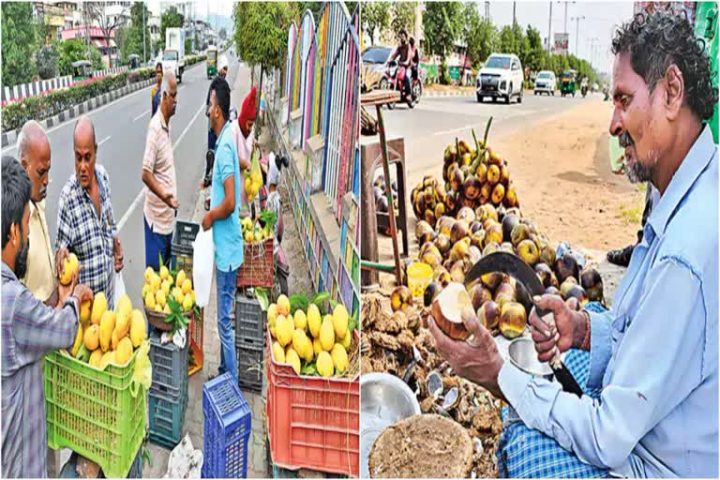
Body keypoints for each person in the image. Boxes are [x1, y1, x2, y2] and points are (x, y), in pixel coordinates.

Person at [428, 11, 718, 478]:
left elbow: (607, 439)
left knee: (523, 438)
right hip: (661, 418)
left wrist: (497, 373)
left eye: (624, 101)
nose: (612, 124)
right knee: (573, 355)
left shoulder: (686, 253)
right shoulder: (692, 189)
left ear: (671, 90)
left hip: (664, 463)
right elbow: (646, 329)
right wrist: (583, 329)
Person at [1, 156, 93, 478]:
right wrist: (76, 298)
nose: (28, 234)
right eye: (26, 225)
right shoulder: (12, 304)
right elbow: (65, 330)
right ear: (14, 232)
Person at [56, 116, 124, 309]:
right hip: (87, 315)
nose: (83, 167)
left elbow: (109, 221)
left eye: (88, 157)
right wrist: (61, 255)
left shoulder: (102, 177)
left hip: (108, 304)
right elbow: (61, 253)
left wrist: (116, 244)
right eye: (78, 158)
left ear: (96, 151)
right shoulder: (67, 199)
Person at [201, 77, 242, 381]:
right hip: (225, 248)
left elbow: (229, 202)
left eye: (209, 102)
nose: (207, 108)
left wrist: (211, 216)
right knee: (224, 320)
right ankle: (225, 372)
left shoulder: (225, 145)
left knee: (224, 324)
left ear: (217, 108)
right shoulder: (226, 137)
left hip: (227, 251)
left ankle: (231, 383)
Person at [16, 121, 58, 305]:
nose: (47, 180)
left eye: (48, 171)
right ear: (24, 166)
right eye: (41, 172)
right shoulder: (15, 227)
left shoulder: (38, 201)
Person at [142, 69, 179, 271]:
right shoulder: (155, 129)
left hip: (167, 221)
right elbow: (145, 173)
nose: (176, 100)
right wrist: (165, 195)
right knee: (155, 283)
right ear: (164, 96)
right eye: (173, 95)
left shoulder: (166, 126)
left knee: (166, 281)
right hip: (155, 223)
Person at [204, 55, 230, 187]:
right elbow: (208, 108)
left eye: (226, 69)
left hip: (219, 127)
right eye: (224, 69)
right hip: (213, 128)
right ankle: (208, 176)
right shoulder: (216, 86)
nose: (225, 72)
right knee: (211, 154)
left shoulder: (222, 86)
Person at [232, 86, 256, 206]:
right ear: (243, 120)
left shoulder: (251, 133)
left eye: (252, 125)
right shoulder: (233, 130)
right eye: (249, 125)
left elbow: (250, 153)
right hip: (232, 199)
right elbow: (231, 158)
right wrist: (246, 164)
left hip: (245, 198)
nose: (250, 128)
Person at [389, 29, 411, 98]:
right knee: (393, 75)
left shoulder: (408, 46)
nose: (402, 38)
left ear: (406, 37)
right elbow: (394, 55)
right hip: (400, 66)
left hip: (407, 66)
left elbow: (408, 58)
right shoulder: (400, 47)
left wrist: (406, 62)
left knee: (406, 77)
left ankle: (408, 94)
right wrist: (390, 60)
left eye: (403, 36)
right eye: (400, 36)